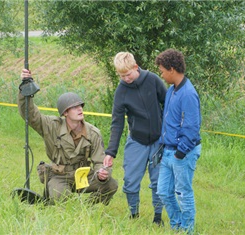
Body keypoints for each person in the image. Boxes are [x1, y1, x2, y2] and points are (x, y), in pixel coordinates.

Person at [18, 69, 118, 205]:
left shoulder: (93, 133)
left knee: (111, 185)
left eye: (80, 106)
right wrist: (25, 88)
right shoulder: (52, 126)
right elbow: (30, 114)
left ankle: (87, 211)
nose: (80, 109)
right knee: (60, 196)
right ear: (65, 112)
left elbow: (100, 160)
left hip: (83, 175)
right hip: (59, 176)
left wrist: (102, 174)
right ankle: (58, 203)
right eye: (75, 107)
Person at [103, 52, 167, 225]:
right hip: (136, 141)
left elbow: (167, 103)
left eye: (128, 74)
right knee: (130, 181)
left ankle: (157, 217)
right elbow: (117, 124)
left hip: (158, 141)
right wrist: (111, 152)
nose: (126, 79)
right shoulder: (121, 91)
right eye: (122, 76)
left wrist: (168, 132)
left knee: (158, 182)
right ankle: (133, 215)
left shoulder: (153, 80)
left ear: (135, 67)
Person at [155, 49, 202, 234]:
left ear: (172, 69)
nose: (161, 74)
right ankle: (177, 226)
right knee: (164, 192)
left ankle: (187, 231)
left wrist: (180, 152)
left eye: (162, 70)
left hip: (183, 153)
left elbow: (192, 126)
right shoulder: (171, 91)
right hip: (168, 150)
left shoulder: (188, 94)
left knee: (183, 193)